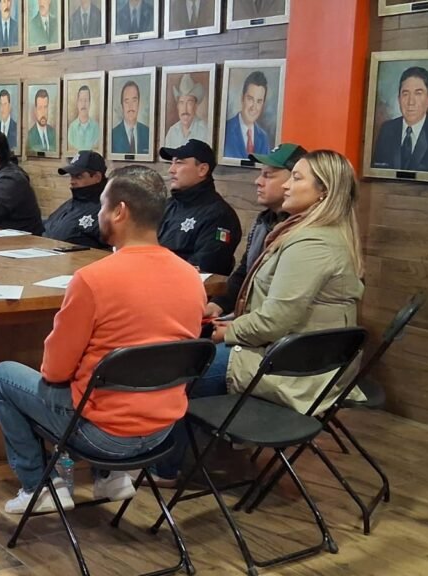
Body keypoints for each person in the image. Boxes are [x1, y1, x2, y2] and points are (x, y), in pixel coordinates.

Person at [0, 165, 206, 514]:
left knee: (1, 376)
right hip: (162, 430)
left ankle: (40, 486)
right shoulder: (192, 277)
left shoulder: (92, 279)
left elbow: (55, 370)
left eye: (103, 205)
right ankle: (112, 479)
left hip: (103, 434)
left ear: (120, 211)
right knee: (115, 365)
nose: (99, 213)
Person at [156, 150, 366, 483]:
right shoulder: (311, 233)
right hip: (288, 357)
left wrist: (227, 333)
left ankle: (164, 467)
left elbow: (275, 320)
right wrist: (230, 323)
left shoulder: (312, 244)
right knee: (188, 350)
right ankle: (195, 449)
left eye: (296, 178)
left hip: (291, 370)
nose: (287, 186)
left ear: (323, 191)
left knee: (177, 371)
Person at [206, 143, 306, 318]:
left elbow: (283, 308)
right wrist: (217, 305)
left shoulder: (304, 232)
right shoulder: (264, 221)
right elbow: (245, 272)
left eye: (268, 175)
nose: (257, 181)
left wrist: (234, 328)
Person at [157, 139, 242, 275]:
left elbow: (205, 266)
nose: (171, 170)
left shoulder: (219, 216)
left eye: (179, 163)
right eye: (171, 163)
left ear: (202, 169)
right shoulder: (168, 205)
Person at [43, 151, 110, 249]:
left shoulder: (105, 208)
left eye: (78, 176)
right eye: (71, 176)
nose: (72, 181)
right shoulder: (73, 202)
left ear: (97, 177)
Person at [372, 66, 428, 172]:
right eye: (405, 94)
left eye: (418, 93)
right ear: (399, 99)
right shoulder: (387, 130)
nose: (411, 102)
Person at [223, 71, 270, 159]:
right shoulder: (225, 129)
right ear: (242, 98)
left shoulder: (264, 138)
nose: (254, 107)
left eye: (259, 101)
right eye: (250, 99)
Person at [163, 74, 209, 148]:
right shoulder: (172, 132)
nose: (185, 109)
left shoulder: (205, 131)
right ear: (178, 106)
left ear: (196, 106)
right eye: (181, 102)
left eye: (189, 103)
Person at [110, 81, 149, 155]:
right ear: (122, 105)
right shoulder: (113, 136)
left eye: (134, 101)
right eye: (126, 101)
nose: (130, 106)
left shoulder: (148, 133)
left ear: (139, 103)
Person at [67, 84, 99, 151]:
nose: (83, 104)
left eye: (86, 100)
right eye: (81, 100)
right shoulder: (72, 128)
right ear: (77, 103)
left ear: (90, 103)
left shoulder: (96, 128)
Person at [26, 89, 57, 154]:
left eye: (45, 107)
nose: (43, 112)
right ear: (35, 110)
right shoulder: (30, 136)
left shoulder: (54, 133)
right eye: (40, 108)